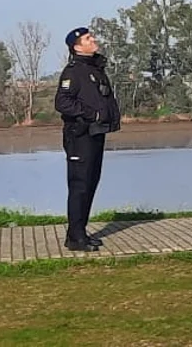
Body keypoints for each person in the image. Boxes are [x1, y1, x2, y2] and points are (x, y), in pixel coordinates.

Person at [53, 27, 120, 251]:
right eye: (88, 39)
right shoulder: (73, 72)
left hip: (95, 133)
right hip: (79, 136)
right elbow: (62, 102)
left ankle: (80, 232)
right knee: (79, 185)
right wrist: (93, 115)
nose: (94, 40)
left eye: (92, 37)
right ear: (77, 46)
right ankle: (75, 237)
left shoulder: (94, 68)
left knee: (91, 183)